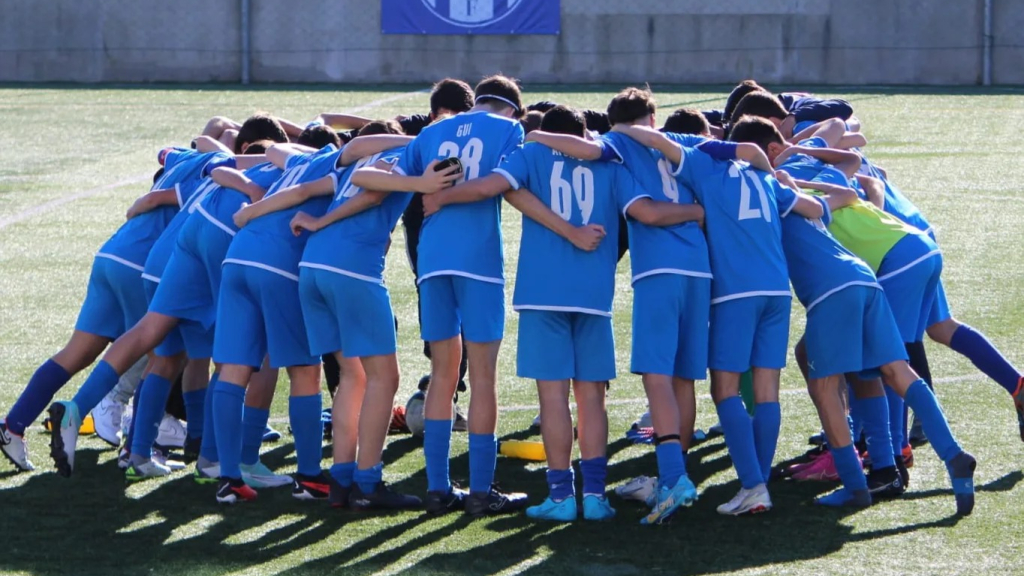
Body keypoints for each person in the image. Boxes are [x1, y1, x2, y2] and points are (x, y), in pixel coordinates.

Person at [733, 116, 978, 515]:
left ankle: (854, 485)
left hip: (832, 291)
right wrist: (802, 182)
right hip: (866, 278)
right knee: (894, 372)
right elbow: (848, 195)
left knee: (825, 387)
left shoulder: (760, 191)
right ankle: (948, 455)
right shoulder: (796, 192)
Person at [350, 75, 529, 518]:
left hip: (431, 258)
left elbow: (369, 174)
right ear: (511, 108)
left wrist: (429, 193)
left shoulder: (431, 132)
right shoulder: (508, 129)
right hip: (478, 260)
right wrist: (446, 197)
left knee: (443, 373)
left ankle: (437, 488)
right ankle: (483, 492)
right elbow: (496, 186)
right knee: (483, 375)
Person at [28, 144, 231, 477]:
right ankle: (208, 455)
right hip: (189, 265)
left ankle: (134, 448)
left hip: (159, 260)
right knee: (223, 357)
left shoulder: (212, 162)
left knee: (167, 354)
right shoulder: (244, 171)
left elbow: (169, 152)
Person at [290, 120, 422, 511]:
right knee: (385, 376)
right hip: (351, 269)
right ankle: (368, 482)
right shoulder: (402, 154)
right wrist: (320, 220)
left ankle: (342, 480)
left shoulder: (356, 157)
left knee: (354, 374)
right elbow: (372, 192)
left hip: (312, 267)